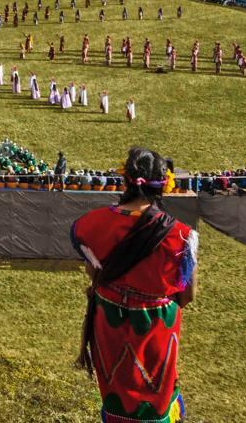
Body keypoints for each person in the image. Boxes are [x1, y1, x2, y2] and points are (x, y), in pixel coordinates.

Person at [71, 147, 198, 423]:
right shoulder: (182, 236)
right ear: (164, 184)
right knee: (158, 395)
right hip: (156, 327)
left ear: (125, 179)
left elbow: (92, 271)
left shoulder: (91, 224)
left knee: (116, 391)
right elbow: (187, 295)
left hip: (110, 322)